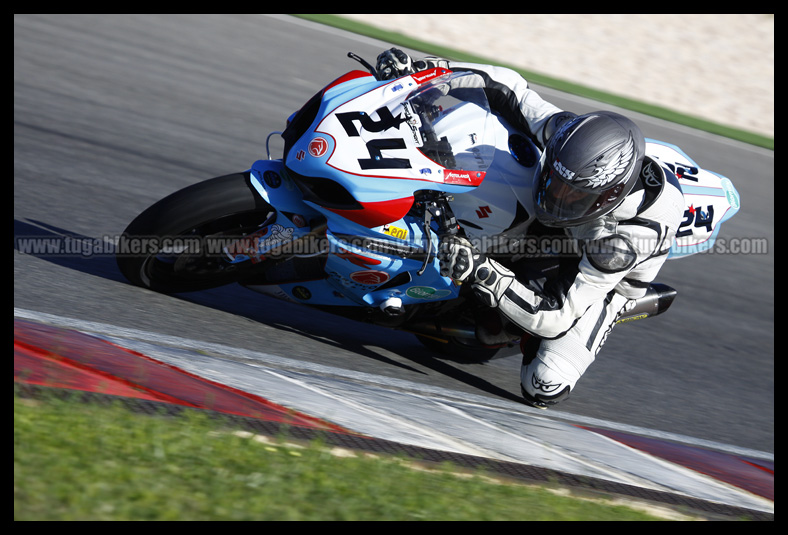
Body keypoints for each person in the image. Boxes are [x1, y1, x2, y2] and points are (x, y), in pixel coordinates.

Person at [376, 48, 685, 408]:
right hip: (573, 227)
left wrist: (481, 270)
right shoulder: (567, 137)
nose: (556, 194)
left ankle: (560, 321)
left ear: (607, 198)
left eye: (571, 194)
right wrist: (428, 71)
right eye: (555, 181)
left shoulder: (623, 243)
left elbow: (555, 318)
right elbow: (510, 89)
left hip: (602, 278)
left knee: (543, 386)